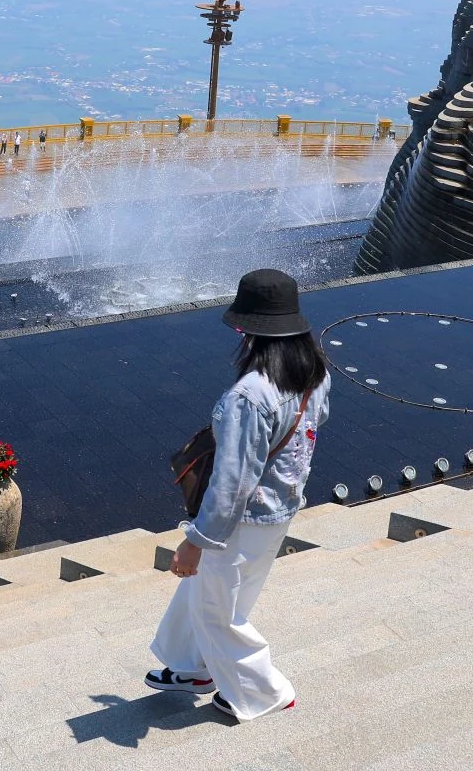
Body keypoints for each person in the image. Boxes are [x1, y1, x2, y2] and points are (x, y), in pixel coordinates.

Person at [147, 268, 329, 723]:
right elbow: (315, 422)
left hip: (242, 521)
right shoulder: (314, 373)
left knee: (219, 613)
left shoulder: (250, 394)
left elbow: (232, 483)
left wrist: (196, 541)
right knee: (221, 597)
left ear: (247, 329)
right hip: (282, 505)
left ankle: (266, 691)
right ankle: (193, 668)